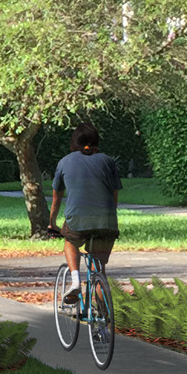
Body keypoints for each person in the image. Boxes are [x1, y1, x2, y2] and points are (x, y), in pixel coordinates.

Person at [48, 122, 124, 302]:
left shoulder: (64, 162)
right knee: (98, 272)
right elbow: (114, 198)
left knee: (70, 240)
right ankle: (104, 324)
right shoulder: (108, 161)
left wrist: (52, 223)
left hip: (78, 221)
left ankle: (75, 280)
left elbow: (56, 200)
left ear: (74, 142)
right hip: (106, 221)